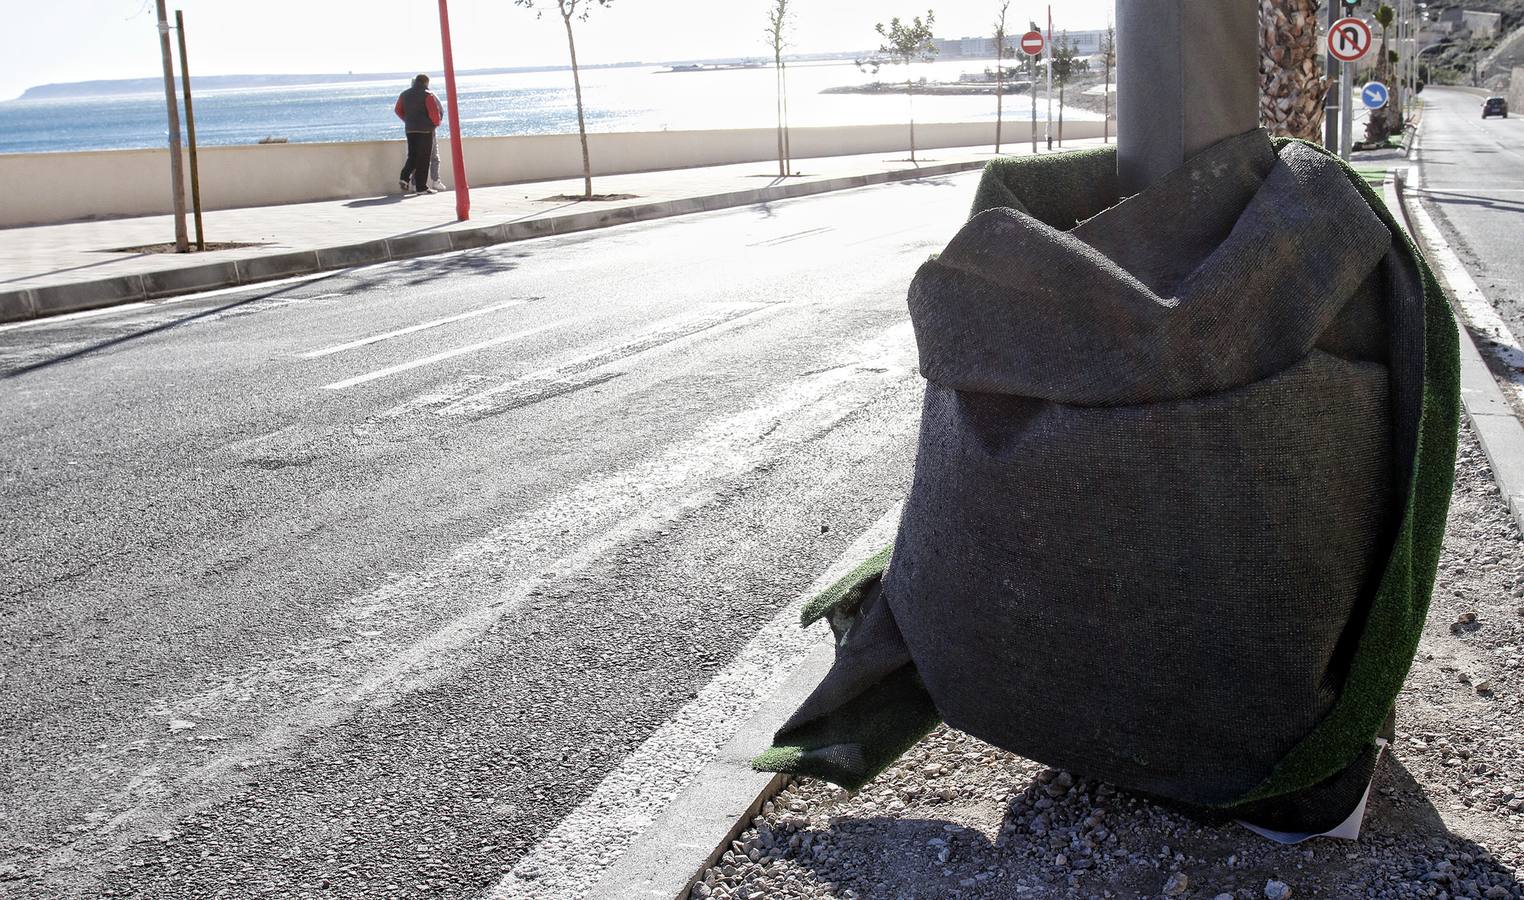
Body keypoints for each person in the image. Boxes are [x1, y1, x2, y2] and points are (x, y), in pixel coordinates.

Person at [394, 74, 442, 194]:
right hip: (425, 130)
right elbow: (434, 113)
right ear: (426, 83)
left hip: (410, 130)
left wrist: (407, 120)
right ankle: (421, 187)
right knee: (424, 158)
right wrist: (435, 124)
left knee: (413, 156)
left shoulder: (404, 94)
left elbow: (397, 110)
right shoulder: (427, 95)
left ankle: (404, 177)